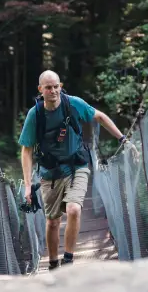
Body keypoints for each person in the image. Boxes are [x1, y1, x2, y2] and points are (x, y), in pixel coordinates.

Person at [18, 70, 137, 270]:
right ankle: (54, 263)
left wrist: (123, 139)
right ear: (41, 90)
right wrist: (28, 185)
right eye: (48, 87)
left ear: (60, 86)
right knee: (53, 222)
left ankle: (68, 261)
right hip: (50, 174)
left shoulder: (73, 103)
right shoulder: (35, 114)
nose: (54, 91)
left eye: (56, 86)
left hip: (77, 167)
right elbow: (26, 150)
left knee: (73, 209)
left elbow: (99, 116)